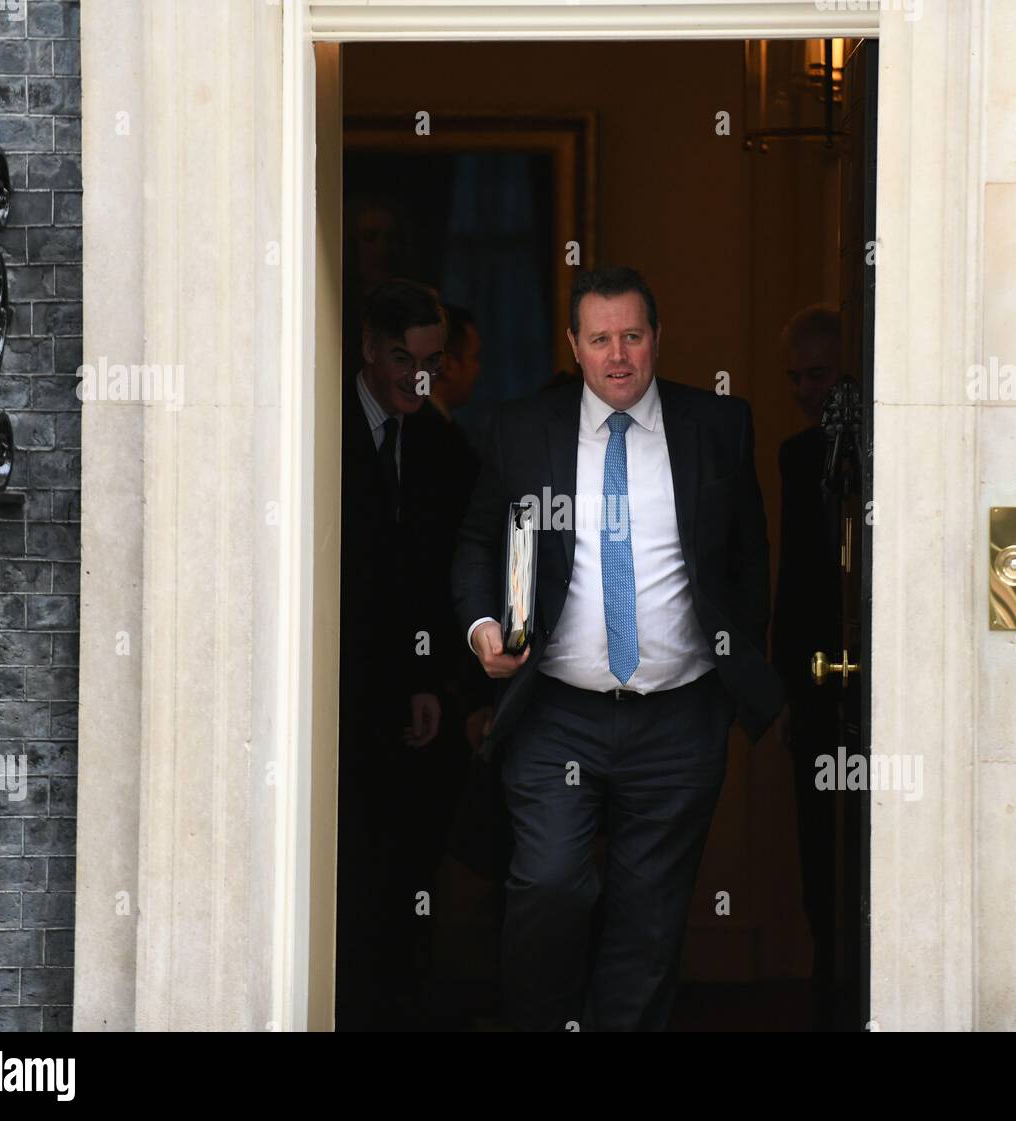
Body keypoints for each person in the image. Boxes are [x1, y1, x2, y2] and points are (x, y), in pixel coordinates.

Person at [451, 265, 785, 1031]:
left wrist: (741, 659)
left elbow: (748, 555)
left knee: (650, 921)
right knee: (550, 886)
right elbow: (477, 540)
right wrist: (481, 629)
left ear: (657, 338)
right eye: (599, 339)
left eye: (632, 335)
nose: (618, 355)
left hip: (679, 717)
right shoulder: (523, 429)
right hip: (555, 711)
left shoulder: (718, 426)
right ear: (574, 344)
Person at [335, 278, 478, 1031]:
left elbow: (443, 576)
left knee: (408, 887)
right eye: (401, 357)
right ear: (367, 348)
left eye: (431, 360)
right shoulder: (318, 427)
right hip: (334, 702)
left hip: (415, 708)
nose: (417, 377)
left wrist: (434, 681)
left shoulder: (441, 446)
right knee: (344, 888)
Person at [769, 303, 862, 1031]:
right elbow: (792, 578)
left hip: (877, 673)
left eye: (819, 374)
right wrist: (787, 687)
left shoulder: (888, 447)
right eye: (796, 377)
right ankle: (827, 992)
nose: (805, 389)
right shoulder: (796, 456)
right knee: (814, 851)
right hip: (816, 676)